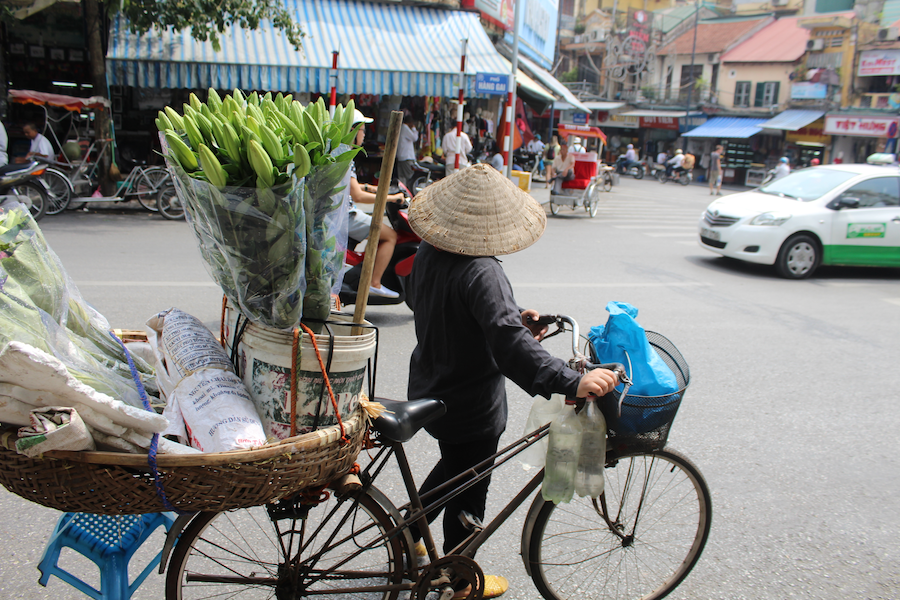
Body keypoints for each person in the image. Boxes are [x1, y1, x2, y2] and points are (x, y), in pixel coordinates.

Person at [405, 164, 619, 599]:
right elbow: (508, 344)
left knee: (454, 468)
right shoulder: (482, 271)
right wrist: (570, 380)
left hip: (431, 384)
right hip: (469, 404)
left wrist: (507, 322)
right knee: (469, 487)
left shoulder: (429, 250)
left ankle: (408, 531)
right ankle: (461, 582)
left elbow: (432, 303)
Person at [347, 109, 406, 299]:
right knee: (390, 236)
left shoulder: (342, 153)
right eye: (362, 130)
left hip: (344, 213)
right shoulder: (345, 157)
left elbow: (354, 186)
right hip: (346, 215)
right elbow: (357, 196)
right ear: (352, 132)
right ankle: (374, 282)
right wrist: (390, 198)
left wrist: (372, 187)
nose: (364, 135)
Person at [396, 113, 418, 189]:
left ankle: (403, 191)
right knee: (410, 176)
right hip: (407, 157)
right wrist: (414, 129)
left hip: (401, 156)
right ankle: (410, 191)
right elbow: (415, 138)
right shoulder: (405, 128)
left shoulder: (401, 128)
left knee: (402, 177)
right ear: (410, 122)